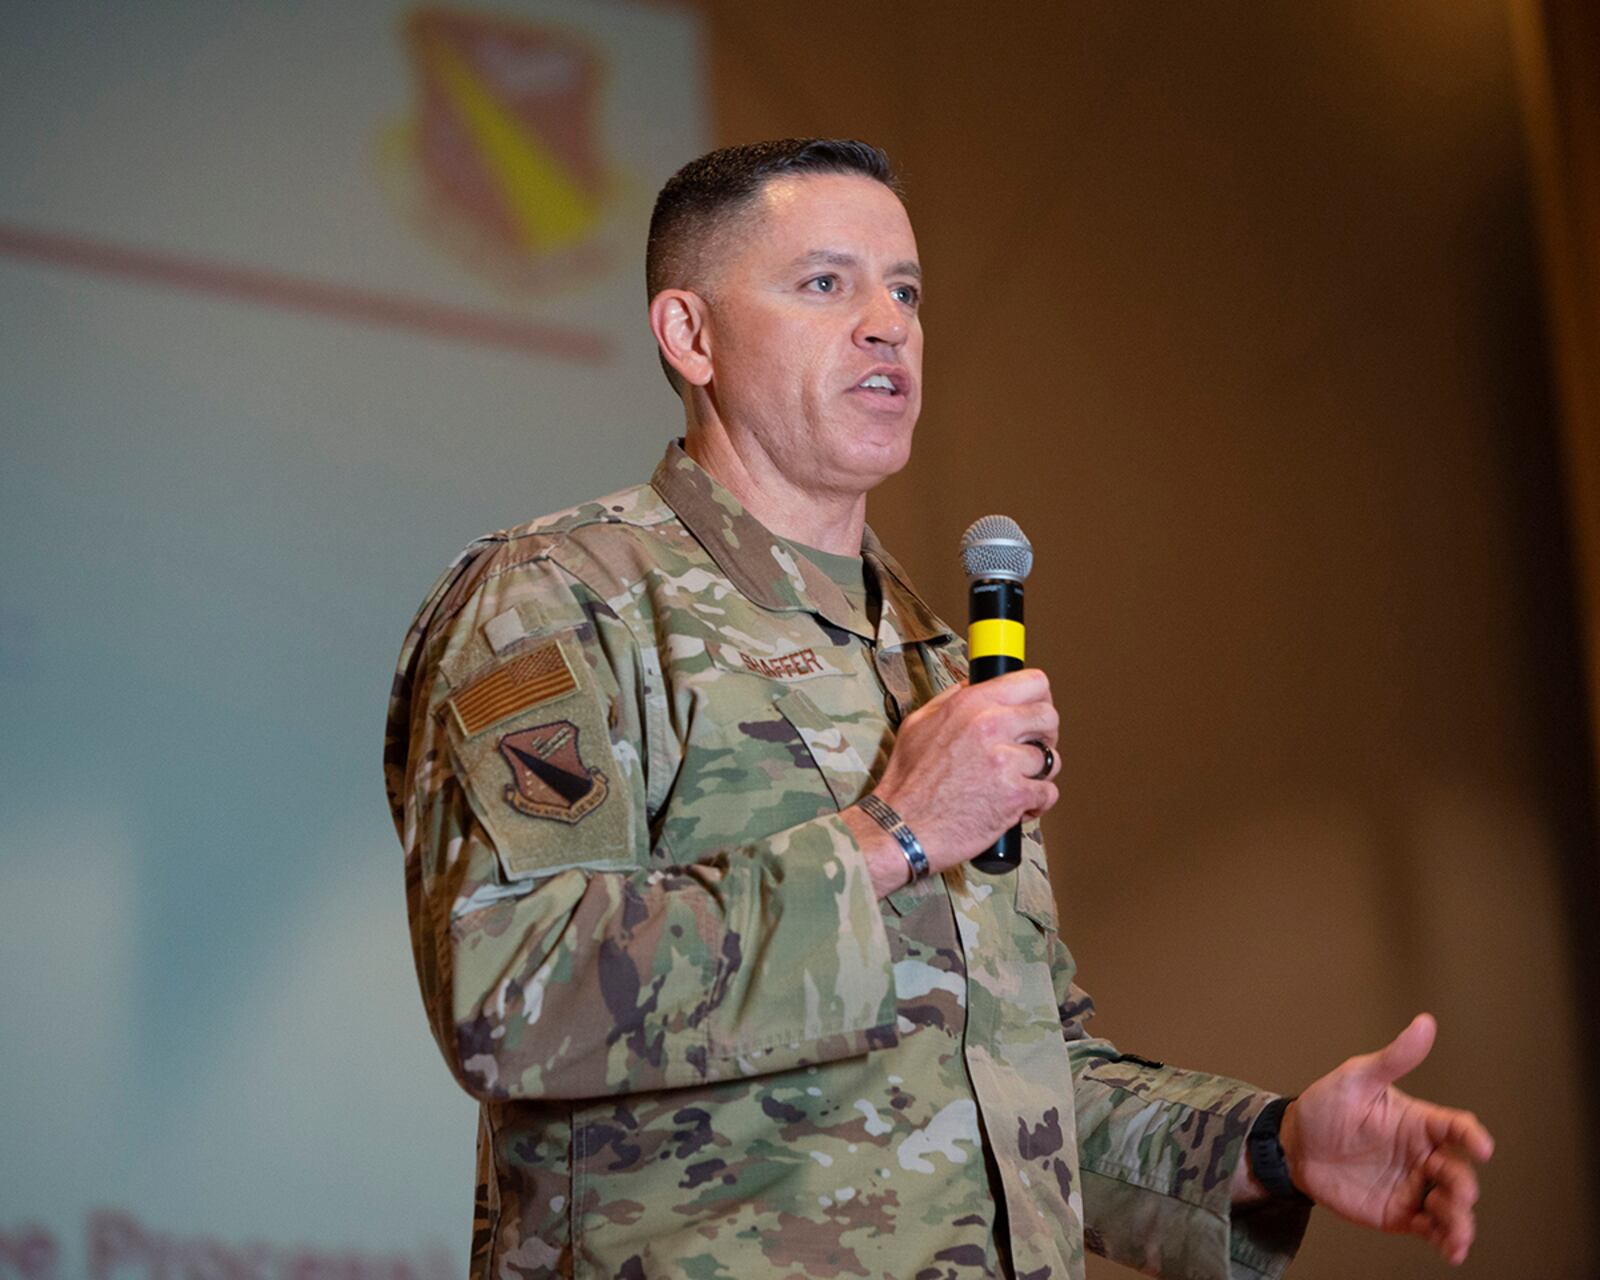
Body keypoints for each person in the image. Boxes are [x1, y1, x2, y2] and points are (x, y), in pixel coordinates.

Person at [384, 139, 1493, 1280]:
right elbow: (511, 996)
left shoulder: (937, 662)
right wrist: (887, 834)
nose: (888, 324)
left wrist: (1269, 1145)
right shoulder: (561, 600)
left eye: (904, 289)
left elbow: (1008, 1075)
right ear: (690, 333)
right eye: (826, 283)